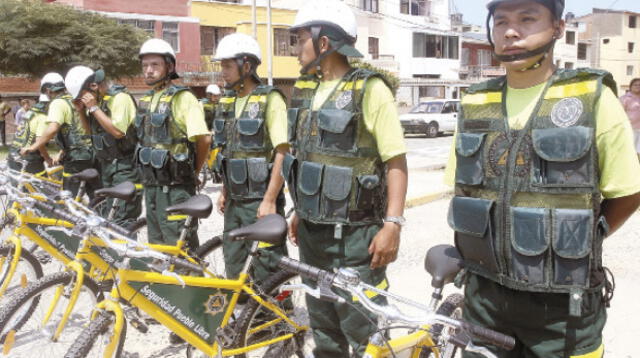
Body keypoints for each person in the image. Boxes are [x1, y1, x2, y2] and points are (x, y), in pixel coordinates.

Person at [443, 1, 640, 357]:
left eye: (527, 19)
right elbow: (463, 188)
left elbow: (628, 191)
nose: (511, 31)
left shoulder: (591, 98)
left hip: (563, 310)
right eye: (501, 21)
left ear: (558, 28)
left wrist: (584, 237)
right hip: (483, 299)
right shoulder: (475, 102)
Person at [286, 1, 408, 356]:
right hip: (312, 234)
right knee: (323, 326)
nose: (296, 50)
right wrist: (299, 210)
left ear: (324, 43)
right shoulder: (306, 91)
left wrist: (393, 224)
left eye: (300, 40)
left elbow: (395, 161)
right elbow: (308, 159)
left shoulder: (370, 90)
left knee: (362, 328)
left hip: (355, 237)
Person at [211, 33, 289, 283]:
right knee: (234, 262)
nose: (222, 71)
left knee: (267, 264)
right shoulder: (228, 101)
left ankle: (276, 319)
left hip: (260, 200)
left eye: (227, 66)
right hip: (235, 199)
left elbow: (283, 151)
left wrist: (269, 200)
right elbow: (231, 152)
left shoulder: (270, 99)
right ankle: (245, 317)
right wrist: (224, 191)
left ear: (246, 65)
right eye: (221, 65)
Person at [136, 38, 211, 249]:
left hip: (176, 187)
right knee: (157, 247)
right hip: (152, 186)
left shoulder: (183, 98)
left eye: (155, 65)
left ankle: (193, 283)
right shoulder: (148, 99)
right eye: (145, 66)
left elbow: (204, 138)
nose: (148, 70)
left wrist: (193, 172)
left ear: (169, 67)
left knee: (181, 248)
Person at [64, 65, 142, 226]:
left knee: (123, 217)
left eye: (82, 95)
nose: (82, 98)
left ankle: (126, 250)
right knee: (109, 214)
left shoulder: (120, 98)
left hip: (125, 167)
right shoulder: (100, 102)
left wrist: (93, 107)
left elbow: (118, 132)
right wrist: (81, 111)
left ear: (94, 86)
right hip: (106, 166)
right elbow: (90, 132)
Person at [22, 72, 100, 198]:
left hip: (76, 158)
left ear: (47, 90)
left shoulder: (57, 103)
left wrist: (32, 147)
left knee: (70, 199)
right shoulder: (74, 98)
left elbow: (53, 129)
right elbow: (77, 130)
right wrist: (61, 152)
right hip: (91, 154)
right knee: (95, 195)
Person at [8, 94, 52, 174]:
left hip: (13, 154)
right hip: (28, 158)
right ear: (49, 105)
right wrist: (48, 158)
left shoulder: (29, 114)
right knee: (42, 184)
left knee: (18, 185)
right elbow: (39, 142)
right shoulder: (42, 117)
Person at [620, 78, 640, 160]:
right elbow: (620, 114)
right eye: (635, 85)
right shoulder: (625, 98)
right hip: (630, 129)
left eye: (639, 85)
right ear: (630, 86)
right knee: (630, 151)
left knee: (638, 151)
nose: (638, 86)